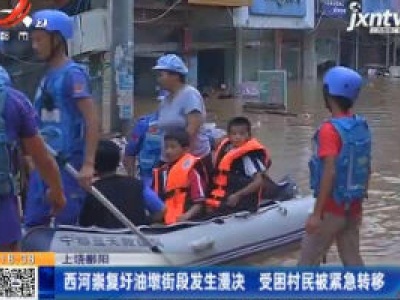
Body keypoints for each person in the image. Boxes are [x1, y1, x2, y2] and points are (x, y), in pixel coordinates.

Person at [25, 9, 99, 227]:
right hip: (44, 165)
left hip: (68, 165)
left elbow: (92, 120)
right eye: (33, 40)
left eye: (39, 39)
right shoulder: (46, 77)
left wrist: (88, 164)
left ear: (57, 39)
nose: (34, 46)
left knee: (64, 225)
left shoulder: (73, 74)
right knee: (33, 223)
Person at [298, 66, 371, 266]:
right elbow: (367, 166)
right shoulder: (361, 125)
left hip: (331, 209)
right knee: (352, 260)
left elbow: (329, 172)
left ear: (328, 95)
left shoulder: (329, 130)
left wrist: (316, 214)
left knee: (306, 265)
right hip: (354, 207)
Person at [0, 66, 66, 251]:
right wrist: (57, 192)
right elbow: (41, 157)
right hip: (2, 205)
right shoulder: (14, 100)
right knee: (11, 270)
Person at [152, 54, 212, 182]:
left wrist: (180, 156)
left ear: (175, 75)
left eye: (161, 74)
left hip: (192, 159)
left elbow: (192, 128)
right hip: (169, 157)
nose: (158, 79)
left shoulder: (189, 94)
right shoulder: (165, 100)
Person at [79, 140, 165, 228]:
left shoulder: (91, 191)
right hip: (135, 236)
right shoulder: (137, 185)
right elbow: (161, 211)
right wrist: (144, 222)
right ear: (118, 160)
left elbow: (82, 222)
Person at [206, 117, 271, 216]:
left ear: (249, 136)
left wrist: (238, 195)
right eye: (234, 134)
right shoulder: (226, 151)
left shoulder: (248, 157)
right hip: (223, 197)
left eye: (242, 134)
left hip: (239, 200)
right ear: (228, 136)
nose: (237, 137)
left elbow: (258, 182)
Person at [153, 129, 207, 225]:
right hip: (166, 221)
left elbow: (199, 202)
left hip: (187, 220)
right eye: (166, 147)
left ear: (185, 149)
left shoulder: (192, 171)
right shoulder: (163, 172)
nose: (168, 151)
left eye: (173, 147)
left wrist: (187, 215)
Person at [124, 111, 162, 186]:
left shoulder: (184, 123)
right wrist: (132, 180)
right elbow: (130, 152)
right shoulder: (145, 124)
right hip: (149, 179)